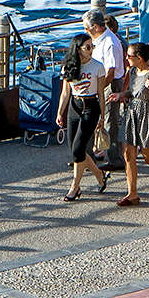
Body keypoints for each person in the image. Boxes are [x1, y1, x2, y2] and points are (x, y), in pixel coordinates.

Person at [56, 33, 110, 201]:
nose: (91, 50)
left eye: (92, 46)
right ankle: (99, 174)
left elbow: (101, 93)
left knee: (79, 149)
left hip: (91, 106)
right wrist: (60, 112)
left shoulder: (97, 66)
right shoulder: (68, 66)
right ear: (78, 50)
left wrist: (102, 115)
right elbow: (65, 92)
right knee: (74, 150)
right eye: (87, 47)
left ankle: (75, 187)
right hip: (74, 105)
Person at [115, 42, 149, 207]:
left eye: (129, 56)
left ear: (139, 58)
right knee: (128, 155)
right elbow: (132, 92)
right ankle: (132, 194)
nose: (126, 58)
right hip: (132, 113)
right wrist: (121, 94)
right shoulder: (132, 72)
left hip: (147, 114)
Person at [83, 10, 125, 171]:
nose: (86, 31)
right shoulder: (99, 40)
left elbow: (111, 71)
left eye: (87, 28)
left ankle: (115, 158)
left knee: (109, 121)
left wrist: (99, 90)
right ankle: (88, 157)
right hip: (99, 83)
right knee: (94, 120)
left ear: (95, 27)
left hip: (109, 84)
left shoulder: (110, 43)